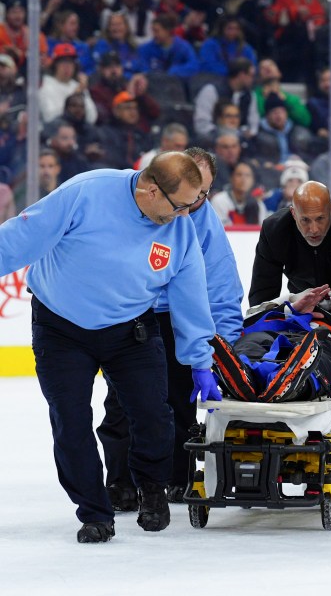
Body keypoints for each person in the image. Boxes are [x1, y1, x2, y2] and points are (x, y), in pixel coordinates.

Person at [0, 152, 221, 543]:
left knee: (154, 415)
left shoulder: (180, 229)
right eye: (181, 204)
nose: (187, 214)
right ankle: (94, 512)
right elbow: (18, 238)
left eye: (194, 204)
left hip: (130, 330)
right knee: (71, 423)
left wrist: (200, 360)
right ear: (151, 189)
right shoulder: (86, 194)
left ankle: (152, 488)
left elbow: (190, 298)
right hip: (61, 328)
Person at [98, 147, 244, 508]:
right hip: (131, 314)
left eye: (203, 193)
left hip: (180, 320)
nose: (193, 201)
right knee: (120, 405)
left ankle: (176, 478)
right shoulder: (132, 206)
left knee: (177, 405)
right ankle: (120, 482)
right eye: (189, 190)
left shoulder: (205, 224)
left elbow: (222, 288)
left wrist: (226, 347)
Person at [212, 284, 331, 406]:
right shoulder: (279, 310)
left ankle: (292, 381)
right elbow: (245, 326)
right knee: (248, 345)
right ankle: (248, 374)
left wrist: (325, 314)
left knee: (321, 357)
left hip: (320, 341)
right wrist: (290, 310)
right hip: (274, 334)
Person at [249, 180, 331, 316]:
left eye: (320, 218)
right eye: (305, 220)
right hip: (300, 306)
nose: (314, 229)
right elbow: (262, 292)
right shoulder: (274, 231)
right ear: (293, 213)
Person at [210, 160, 266, 226]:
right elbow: (218, 231)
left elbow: (262, 231)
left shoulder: (258, 205)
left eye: (247, 175)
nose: (243, 179)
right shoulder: (219, 200)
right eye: (239, 175)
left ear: (253, 180)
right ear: (231, 178)